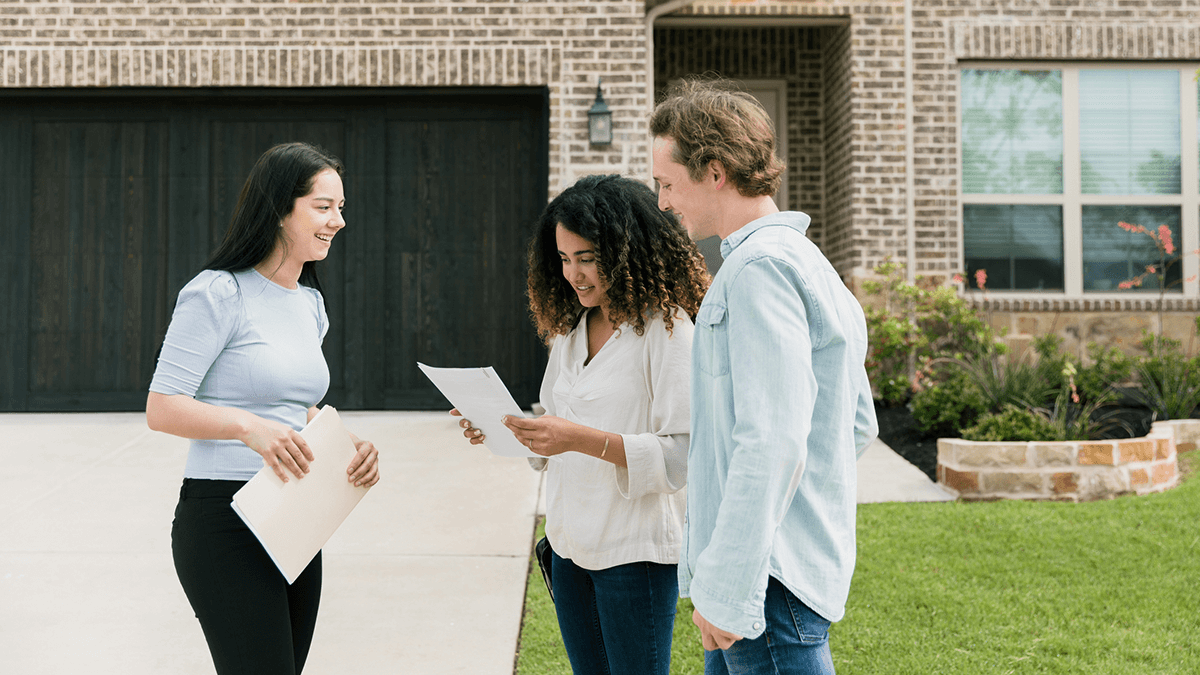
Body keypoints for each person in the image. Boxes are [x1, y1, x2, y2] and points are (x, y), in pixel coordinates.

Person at [650, 78, 878, 674]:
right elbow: (854, 424)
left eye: (668, 184)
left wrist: (727, 584)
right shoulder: (806, 262)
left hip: (763, 588)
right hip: (771, 575)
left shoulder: (759, 270)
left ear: (715, 171)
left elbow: (774, 438)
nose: (663, 203)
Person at [454, 174, 709, 675]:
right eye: (565, 259)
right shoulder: (573, 331)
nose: (574, 274)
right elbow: (553, 433)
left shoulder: (669, 329)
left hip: (634, 558)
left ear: (626, 251)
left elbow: (683, 455)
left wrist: (578, 438)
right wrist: (500, 425)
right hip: (569, 550)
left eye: (588, 258)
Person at [145, 142, 380, 675]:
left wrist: (346, 444)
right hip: (224, 519)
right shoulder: (216, 293)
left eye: (341, 208)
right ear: (279, 209)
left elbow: (295, 404)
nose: (339, 221)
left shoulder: (310, 304)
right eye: (324, 207)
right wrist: (248, 428)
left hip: (297, 515)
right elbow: (162, 407)